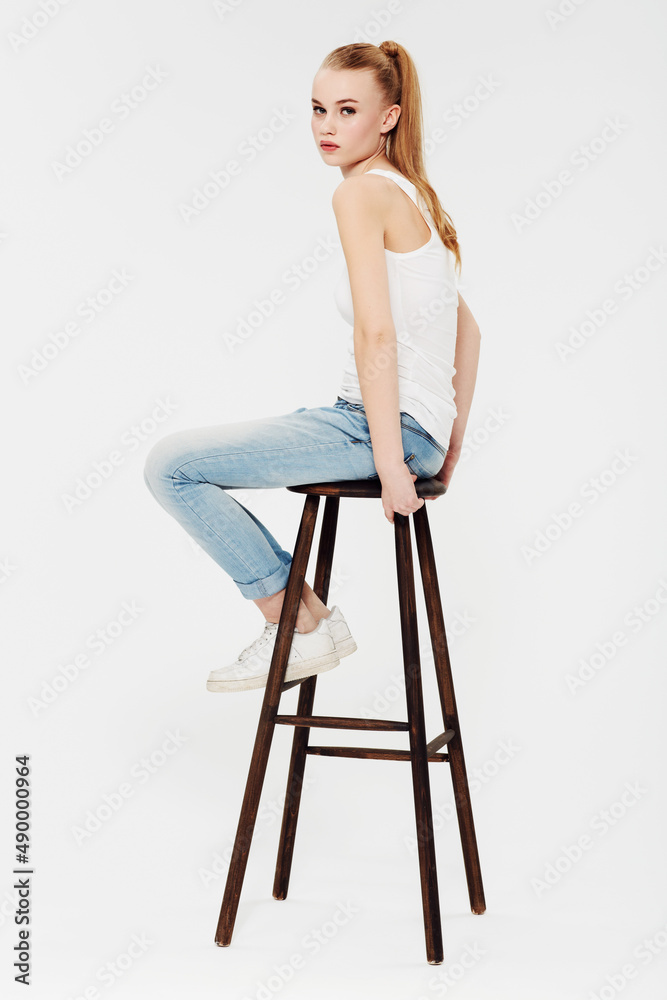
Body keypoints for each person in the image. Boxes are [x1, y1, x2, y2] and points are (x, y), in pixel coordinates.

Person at [143, 40, 481, 694]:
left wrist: (391, 462)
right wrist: (447, 444)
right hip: (407, 430)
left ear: (388, 117)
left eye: (347, 110)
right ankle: (306, 619)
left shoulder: (361, 196)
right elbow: (469, 333)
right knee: (185, 461)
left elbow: (377, 332)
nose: (327, 126)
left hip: (376, 428)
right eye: (318, 109)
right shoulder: (415, 195)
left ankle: (295, 622)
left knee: (171, 466)